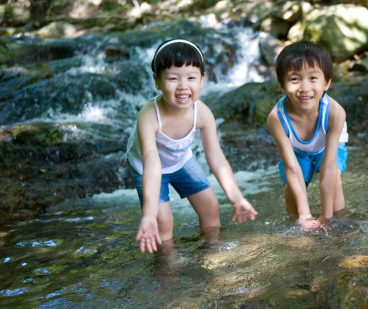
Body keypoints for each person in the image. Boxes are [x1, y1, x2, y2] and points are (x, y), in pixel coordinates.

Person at [126, 39, 258, 253]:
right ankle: (168, 267)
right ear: (157, 82)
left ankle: (212, 251)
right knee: (163, 222)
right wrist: (148, 214)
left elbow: (217, 160)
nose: (183, 86)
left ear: (202, 80)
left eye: (191, 78)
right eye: (172, 78)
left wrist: (237, 197)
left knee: (210, 206)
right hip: (147, 167)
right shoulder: (149, 116)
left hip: (181, 160)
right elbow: (152, 165)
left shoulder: (202, 113)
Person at [267, 40, 348, 226]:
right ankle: (297, 231)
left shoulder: (335, 113)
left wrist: (326, 218)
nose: (304, 88)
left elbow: (328, 169)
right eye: (295, 79)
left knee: (334, 183)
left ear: (327, 83)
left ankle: (339, 226)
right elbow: (292, 169)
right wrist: (305, 217)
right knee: (291, 191)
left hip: (326, 146)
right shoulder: (277, 118)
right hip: (298, 152)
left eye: (313, 78)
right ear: (282, 85)